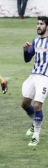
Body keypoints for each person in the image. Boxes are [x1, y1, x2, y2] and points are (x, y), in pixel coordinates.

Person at [20, 16, 48, 147]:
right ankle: (35, 122)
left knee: (37, 105)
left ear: (47, 26)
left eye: (41, 24)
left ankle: (36, 136)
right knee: (25, 104)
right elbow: (27, 59)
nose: (38, 26)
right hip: (33, 76)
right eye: (37, 24)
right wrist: (25, 51)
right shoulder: (36, 41)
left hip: (45, 77)